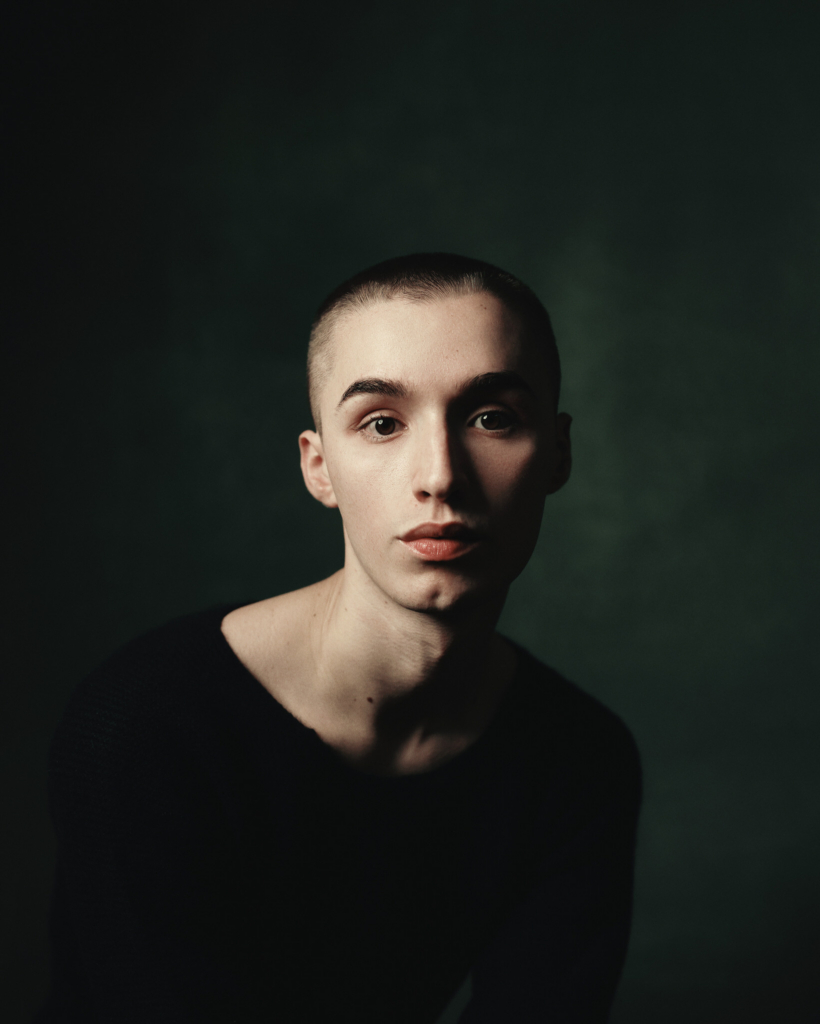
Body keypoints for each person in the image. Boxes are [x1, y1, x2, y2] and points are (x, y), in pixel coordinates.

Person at [36, 253, 642, 1023]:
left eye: (492, 418)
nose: (440, 476)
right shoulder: (146, 727)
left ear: (556, 453)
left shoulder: (580, 759)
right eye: (382, 423)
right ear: (319, 468)